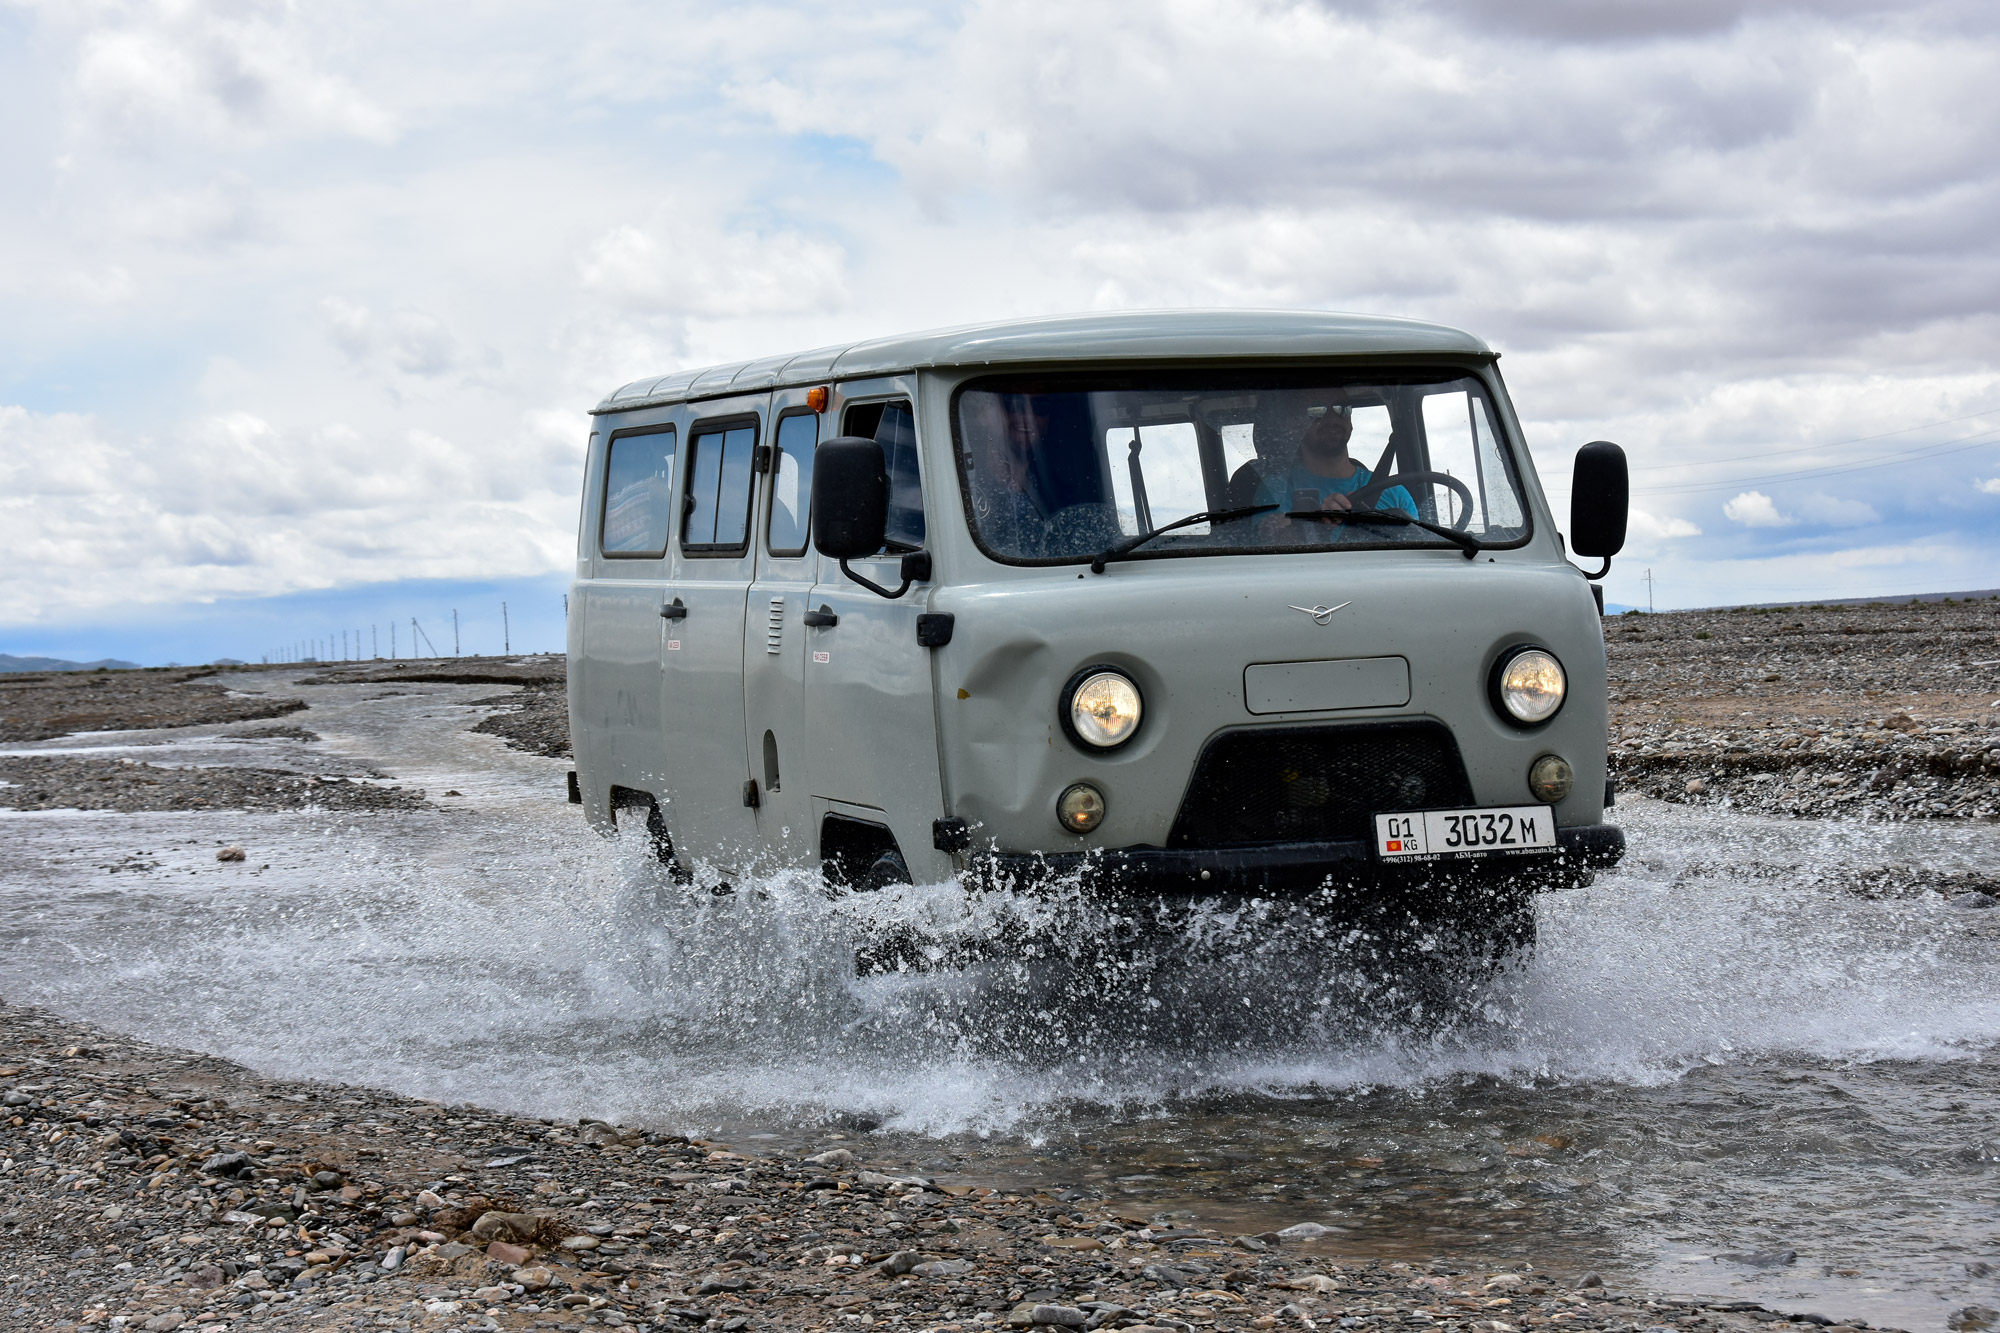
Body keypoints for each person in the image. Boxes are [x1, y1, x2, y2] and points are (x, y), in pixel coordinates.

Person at [1254, 405, 1418, 537]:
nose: (1333, 418)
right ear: (1295, 423)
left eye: (1342, 408)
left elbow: (1416, 555)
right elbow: (1270, 543)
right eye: (1318, 409)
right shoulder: (1275, 489)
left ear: (1351, 423)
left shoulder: (1395, 494)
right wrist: (1313, 523)